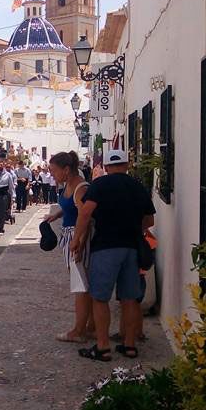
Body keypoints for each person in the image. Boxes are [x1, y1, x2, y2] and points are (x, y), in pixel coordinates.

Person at [72, 150, 156, 362]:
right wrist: (133, 226)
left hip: (106, 247)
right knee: (129, 299)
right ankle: (129, 346)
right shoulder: (138, 187)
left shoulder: (100, 185)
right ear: (127, 165)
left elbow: (85, 212)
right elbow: (149, 221)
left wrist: (77, 239)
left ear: (106, 167)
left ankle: (102, 347)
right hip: (132, 248)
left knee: (100, 298)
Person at [44, 151, 93, 343]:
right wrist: (56, 215)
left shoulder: (80, 187)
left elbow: (84, 215)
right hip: (70, 234)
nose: (52, 174)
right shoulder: (69, 185)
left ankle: (79, 331)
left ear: (66, 169)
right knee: (80, 281)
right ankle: (89, 326)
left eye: (54, 170)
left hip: (77, 235)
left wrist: (78, 241)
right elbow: (70, 207)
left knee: (80, 284)